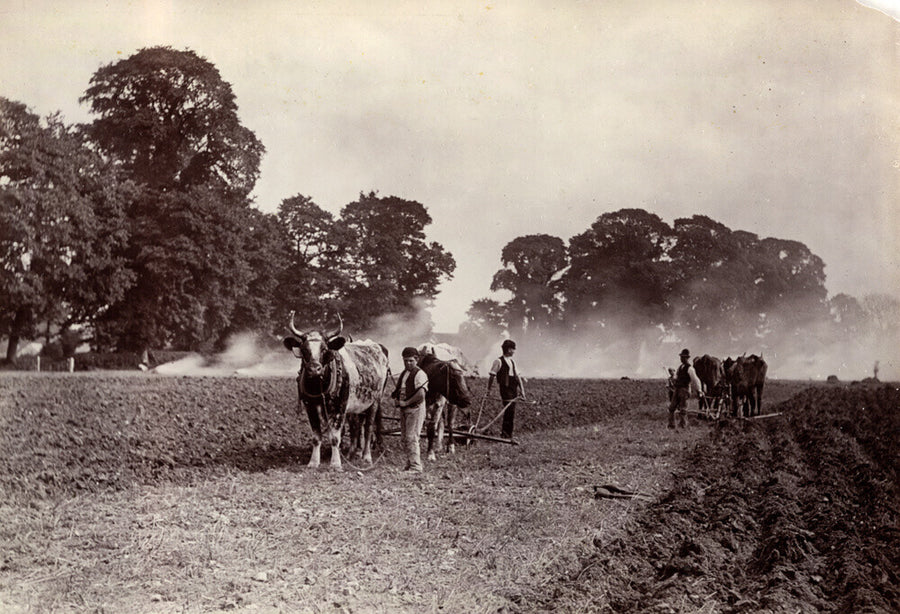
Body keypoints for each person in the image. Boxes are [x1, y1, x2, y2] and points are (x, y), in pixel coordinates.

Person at [391, 346, 429, 472]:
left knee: (412, 437)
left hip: (415, 409)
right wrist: (397, 398)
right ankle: (410, 463)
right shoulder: (404, 373)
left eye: (411, 361)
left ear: (417, 359)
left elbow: (421, 395)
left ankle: (416, 466)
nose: (408, 363)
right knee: (405, 437)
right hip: (405, 409)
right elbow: (401, 390)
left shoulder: (420, 374)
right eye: (405, 361)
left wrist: (406, 402)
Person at [487, 339, 524, 439]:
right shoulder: (498, 361)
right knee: (509, 410)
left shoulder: (512, 362)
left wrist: (522, 391)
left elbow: (517, 377)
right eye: (513, 349)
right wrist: (488, 390)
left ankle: (508, 434)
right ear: (508, 350)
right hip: (505, 389)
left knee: (511, 411)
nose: (514, 351)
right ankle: (506, 435)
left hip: (513, 389)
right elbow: (492, 376)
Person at [668, 348, 704, 429]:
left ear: (687, 358)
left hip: (684, 390)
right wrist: (674, 379)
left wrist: (699, 390)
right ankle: (671, 425)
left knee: (683, 409)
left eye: (683, 357)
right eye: (681, 357)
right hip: (677, 389)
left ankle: (683, 426)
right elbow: (676, 377)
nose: (681, 358)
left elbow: (695, 380)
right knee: (671, 408)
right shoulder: (680, 367)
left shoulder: (690, 369)